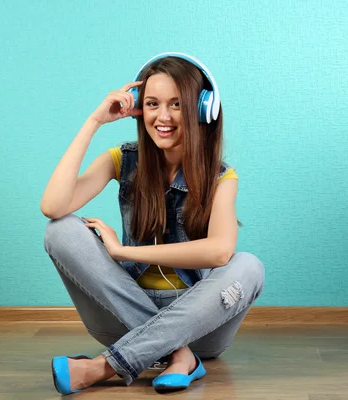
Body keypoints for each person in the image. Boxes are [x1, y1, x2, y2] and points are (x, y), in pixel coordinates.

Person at [41, 52, 265, 395]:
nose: (163, 116)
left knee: (248, 266)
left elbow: (220, 252)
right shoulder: (121, 159)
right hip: (121, 317)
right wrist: (94, 121)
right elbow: (52, 206)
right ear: (137, 107)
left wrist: (123, 251)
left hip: (199, 325)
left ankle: (104, 367)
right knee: (61, 230)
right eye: (152, 103)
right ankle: (179, 357)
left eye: (177, 105)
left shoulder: (222, 177)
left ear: (203, 109)